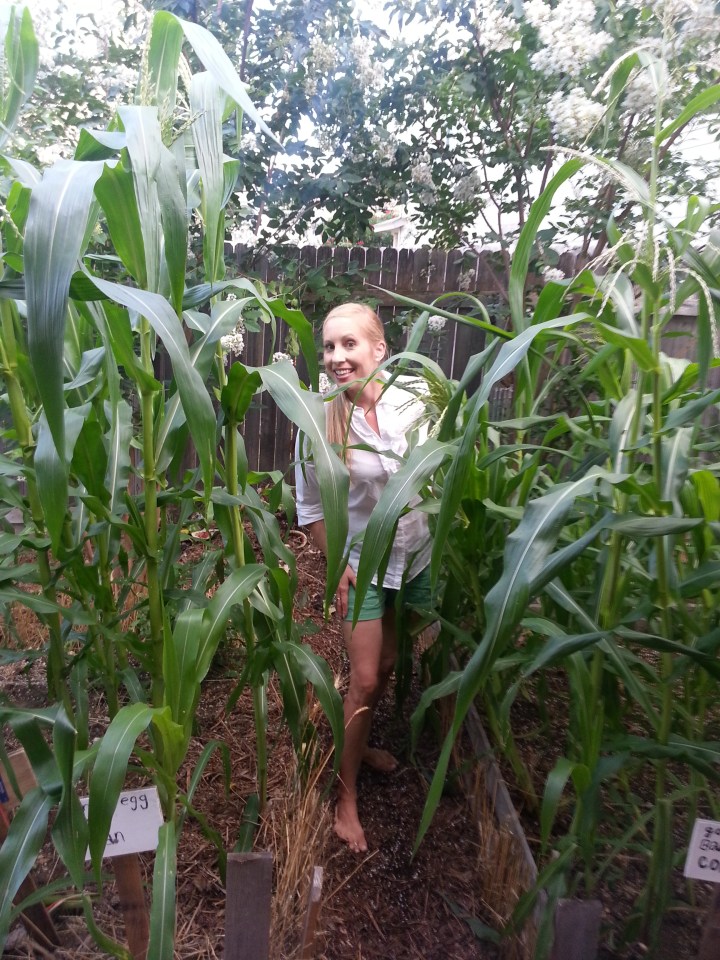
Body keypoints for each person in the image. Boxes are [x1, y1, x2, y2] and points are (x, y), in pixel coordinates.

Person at [295, 303, 431, 853]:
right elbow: (309, 511)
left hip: (417, 555)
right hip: (362, 563)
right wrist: (341, 565)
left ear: (380, 350)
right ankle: (345, 795)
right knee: (367, 677)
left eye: (348, 344)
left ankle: (365, 741)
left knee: (394, 661)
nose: (336, 358)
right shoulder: (318, 419)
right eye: (329, 347)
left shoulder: (416, 402)